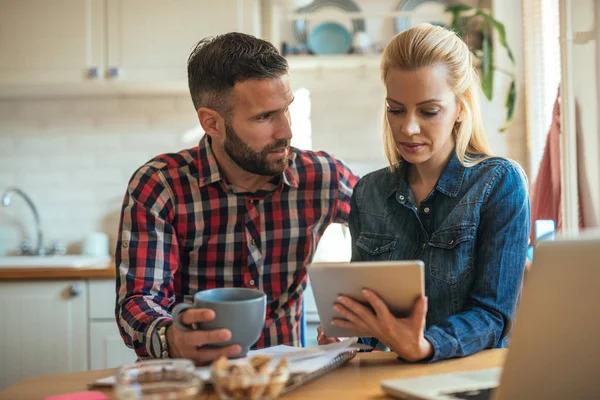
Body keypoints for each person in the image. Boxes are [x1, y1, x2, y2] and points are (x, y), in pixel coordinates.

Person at [115, 32, 358, 365]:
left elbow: (394, 227)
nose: (286, 130)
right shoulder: (160, 186)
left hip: (286, 380)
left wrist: (357, 323)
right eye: (264, 117)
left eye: (286, 109)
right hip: (190, 380)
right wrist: (171, 335)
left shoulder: (321, 176)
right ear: (211, 122)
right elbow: (138, 300)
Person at [318, 24, 530, 362]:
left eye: (429, 111)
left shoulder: (499, 184)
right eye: (396, 109)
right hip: (392, 377)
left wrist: (425, 346)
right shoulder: (368, 192)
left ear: (461, 108)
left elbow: (493, 315)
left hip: (470, 379)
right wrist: (347, 336)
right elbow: (369, 323)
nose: (408, 127)